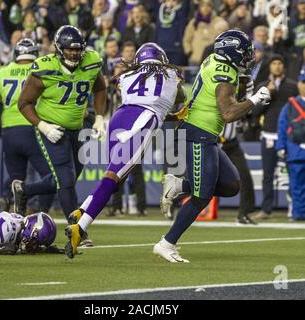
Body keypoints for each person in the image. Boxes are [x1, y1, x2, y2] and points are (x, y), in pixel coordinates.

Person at [65, 42, 187, 259]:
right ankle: (80, 228)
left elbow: (143, 97)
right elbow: (177, 99)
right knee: (115, 176)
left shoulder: (127, 76)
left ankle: (82, 210)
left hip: (119, 118)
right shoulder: (172, 73)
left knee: (115, 175)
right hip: (142, 121)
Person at [157, 30, 271, 263]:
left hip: (205, 134)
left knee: (230, 185)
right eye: (245, 53)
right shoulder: (223, 72)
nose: (248, 57)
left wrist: (241, 81)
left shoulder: (214, 60)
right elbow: (229, 113)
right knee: (201, 196)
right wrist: (255, 99)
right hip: (198, 134)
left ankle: (179, 184)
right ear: (232, 52)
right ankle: (166, 243)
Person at [17, 26, 107, 221]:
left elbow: (100, 88)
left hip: (77, 127)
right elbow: (24, 103)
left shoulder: (91, 61)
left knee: (69, 177)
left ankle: (24, 190)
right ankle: (75, 229)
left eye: (77, 49)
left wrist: (100, 117)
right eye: (69, 49)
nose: (74, 53)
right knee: (65, 180)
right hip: (52, 128)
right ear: (59, 49)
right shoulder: (45, 68)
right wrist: (43, 126)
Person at [0, 38, 55, 215]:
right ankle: (41, 216)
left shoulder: (2, 72)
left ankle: (5, 203)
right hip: (34, 128)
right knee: (53, 177)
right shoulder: (41, 69)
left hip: (10, 133)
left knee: (16, 178)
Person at [252, 55, 298, 219]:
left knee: (294, 172)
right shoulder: (263, 86)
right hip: (269, 135)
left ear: (283, 67)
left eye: (280, 63)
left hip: (288, 137)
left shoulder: (293, 86)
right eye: (274, 64)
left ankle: (295, 208)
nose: (277, 66)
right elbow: (254, 113)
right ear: (270, 67)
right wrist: (268, 94)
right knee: (267, 174)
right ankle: (266, 209)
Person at [275, 71, 305, 220]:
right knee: (296, 185)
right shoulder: (290, 105)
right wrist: (280, 147)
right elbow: (282, 126)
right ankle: (298, 214)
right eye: (303, 82)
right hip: (295, 151)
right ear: (299, 84)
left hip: (296, 151)